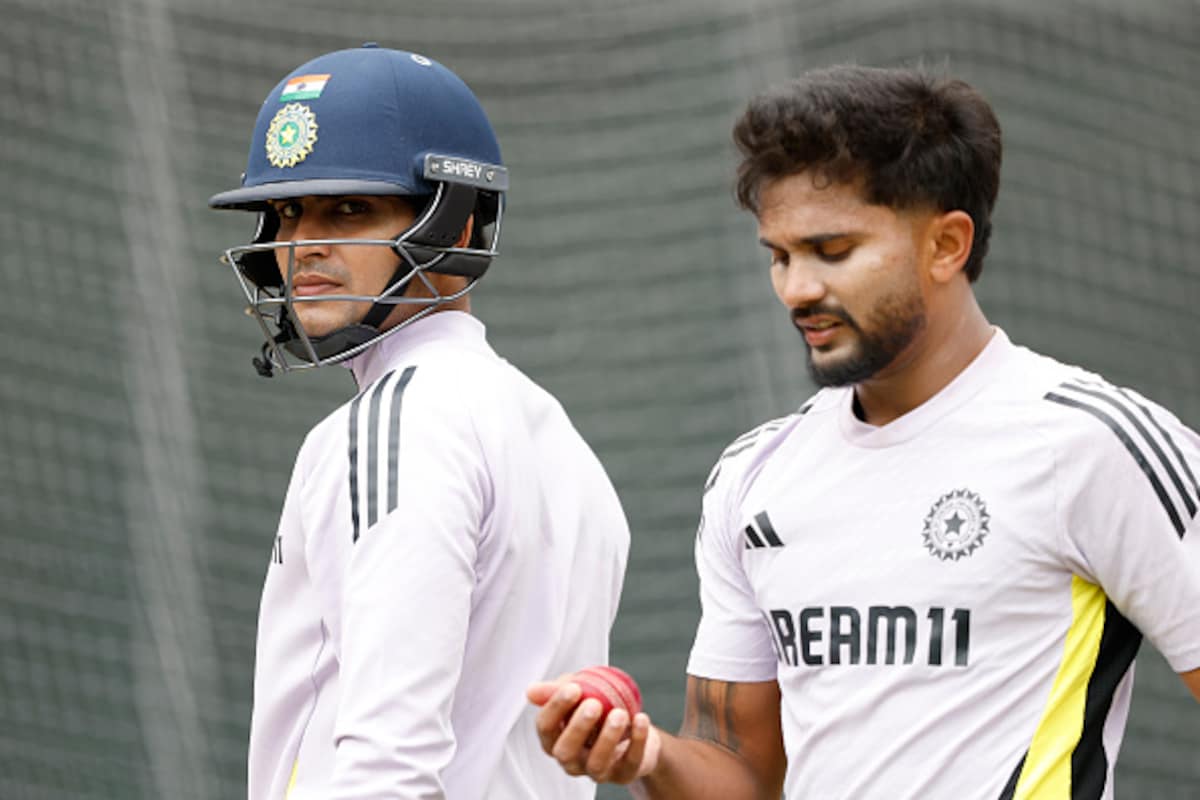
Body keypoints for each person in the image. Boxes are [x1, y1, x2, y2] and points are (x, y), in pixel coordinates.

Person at [529, 65, 1200, 799]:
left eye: (832, 250)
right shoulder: (756, 474)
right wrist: (647, 756)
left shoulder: (1094, 444)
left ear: (947, 245)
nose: (797, 290)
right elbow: (744, 773)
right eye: (779, 256)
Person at [208, 44, 630, 800]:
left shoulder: (397, 420)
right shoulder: (558, 440)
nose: (302, 243)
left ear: (457, 224)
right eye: (287, 212)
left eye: (349, 207)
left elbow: (388, 767)